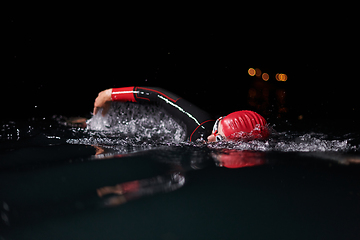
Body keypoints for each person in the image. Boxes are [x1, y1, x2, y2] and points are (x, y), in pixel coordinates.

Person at [93, 86, 270, 142]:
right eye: (216, 127)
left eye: (219, 139)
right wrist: (110, 94)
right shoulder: (202, 126)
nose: (209, 138)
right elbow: (160, 96)